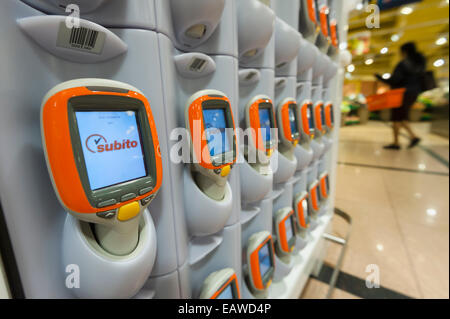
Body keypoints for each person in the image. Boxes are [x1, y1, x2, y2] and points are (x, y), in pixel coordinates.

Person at [375, 42, 426, 150]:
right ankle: (411, 137)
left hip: (401, 94)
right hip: (413, 93)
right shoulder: (420, 65)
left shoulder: (403, 64)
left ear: (404, 52)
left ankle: (397, 142)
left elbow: (394, 80)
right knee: (401, 117)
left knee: (397, 118)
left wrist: (379, 77)